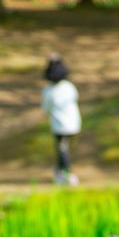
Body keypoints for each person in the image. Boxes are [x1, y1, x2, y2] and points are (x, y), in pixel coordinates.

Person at [41, 55, 81, 186]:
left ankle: (67, 174)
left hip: (59, 124)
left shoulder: (49, 90)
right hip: (73, 122)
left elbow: (46, 108)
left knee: (62, 149)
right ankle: (60, 173)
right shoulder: (68, 86)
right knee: (63, 148)